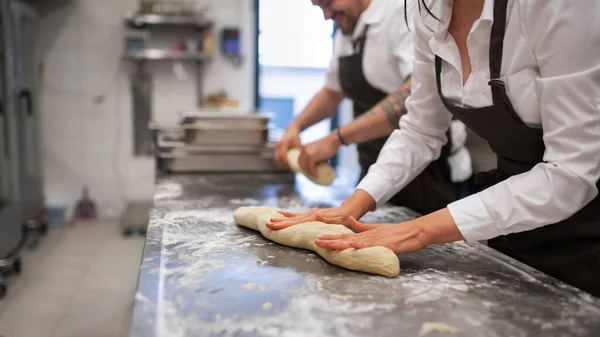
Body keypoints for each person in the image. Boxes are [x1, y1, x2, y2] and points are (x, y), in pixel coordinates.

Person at [267, 0, 600, 297]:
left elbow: (570, 172)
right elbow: (420, 129)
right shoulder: (427, 11)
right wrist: (351, 206)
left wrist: (420, 229)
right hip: (512, 221)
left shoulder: (556, 6)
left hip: (586, 228)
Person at [274, 0, 473, 214]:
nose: (326, 15)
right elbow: (332, 92)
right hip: (374, 173)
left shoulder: (401, 15)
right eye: (319, 7)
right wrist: (295, 127)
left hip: (430, 176)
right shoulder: (348, 25)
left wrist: (337, 138)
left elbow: (413, 95)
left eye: (328, 3)